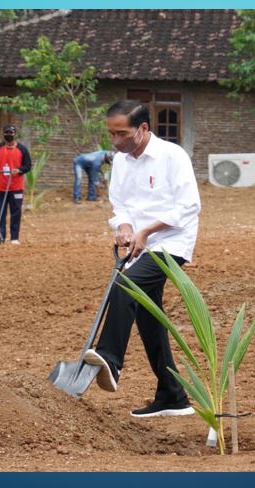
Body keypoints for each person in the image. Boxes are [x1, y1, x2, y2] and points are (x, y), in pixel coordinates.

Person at [83, 100, 201, 418]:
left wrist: (147, 231)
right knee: (150, 319)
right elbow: (119, 202)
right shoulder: (121, 161)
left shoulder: (172, 157)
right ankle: (172, 395)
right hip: (140, 245)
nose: (115, 141)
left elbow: (189, 206)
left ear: (143, 129)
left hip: (171, 242)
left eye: (122, 133)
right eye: (111, 134)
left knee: (126, 287)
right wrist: (123, 227)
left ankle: (109, 356)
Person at [0, 124, 32, 245]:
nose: (9, 135)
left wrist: (19, 170)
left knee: (16, 212)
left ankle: (14, 238)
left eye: (11, 133)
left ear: (15, 134)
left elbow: (28, 166)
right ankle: (0, 237)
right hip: (0, 186)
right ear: (3, 134)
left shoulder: (22, 149)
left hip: (16, 187)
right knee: (0, 212)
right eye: (6, 133)